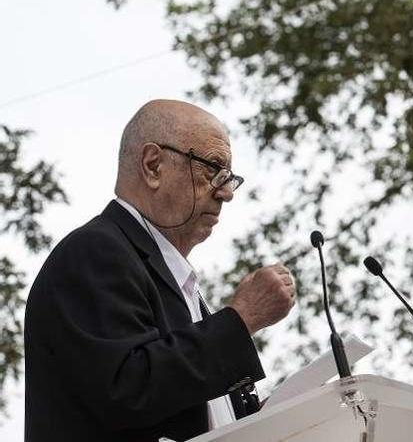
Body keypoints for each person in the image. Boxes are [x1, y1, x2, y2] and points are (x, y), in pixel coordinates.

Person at [24, 99, 296, 441]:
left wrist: (269, 419)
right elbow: (127, 389)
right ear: (153, 166)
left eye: (229, 178)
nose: (226, 193)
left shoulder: (175, 279)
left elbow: (183, 406)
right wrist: (241, 319)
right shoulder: (95, 252)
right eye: (213, 168)